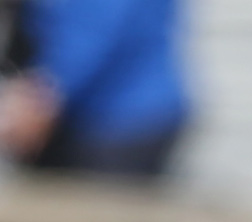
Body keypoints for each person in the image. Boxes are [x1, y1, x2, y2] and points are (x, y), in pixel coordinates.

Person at [0, 0, 188, 179]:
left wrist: (38, 99)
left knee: (101, 207)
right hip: (81, 108)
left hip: (122, 118)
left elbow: (98, 31)